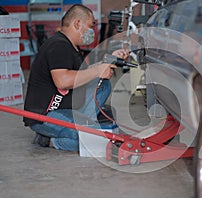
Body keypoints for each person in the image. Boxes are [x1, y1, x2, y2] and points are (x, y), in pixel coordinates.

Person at [23, 4, 129, 151]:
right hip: (45, 115)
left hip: (64, 107)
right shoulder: (59, 45)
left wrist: (108, 61)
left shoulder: (71, 47)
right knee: (92, 138)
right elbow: (63, 81)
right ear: (78, 24)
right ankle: (49, 140)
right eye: (90, 26)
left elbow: (82, 75)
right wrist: (98, 70)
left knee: (103, 85)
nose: (92, 31)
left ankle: (85, 123)